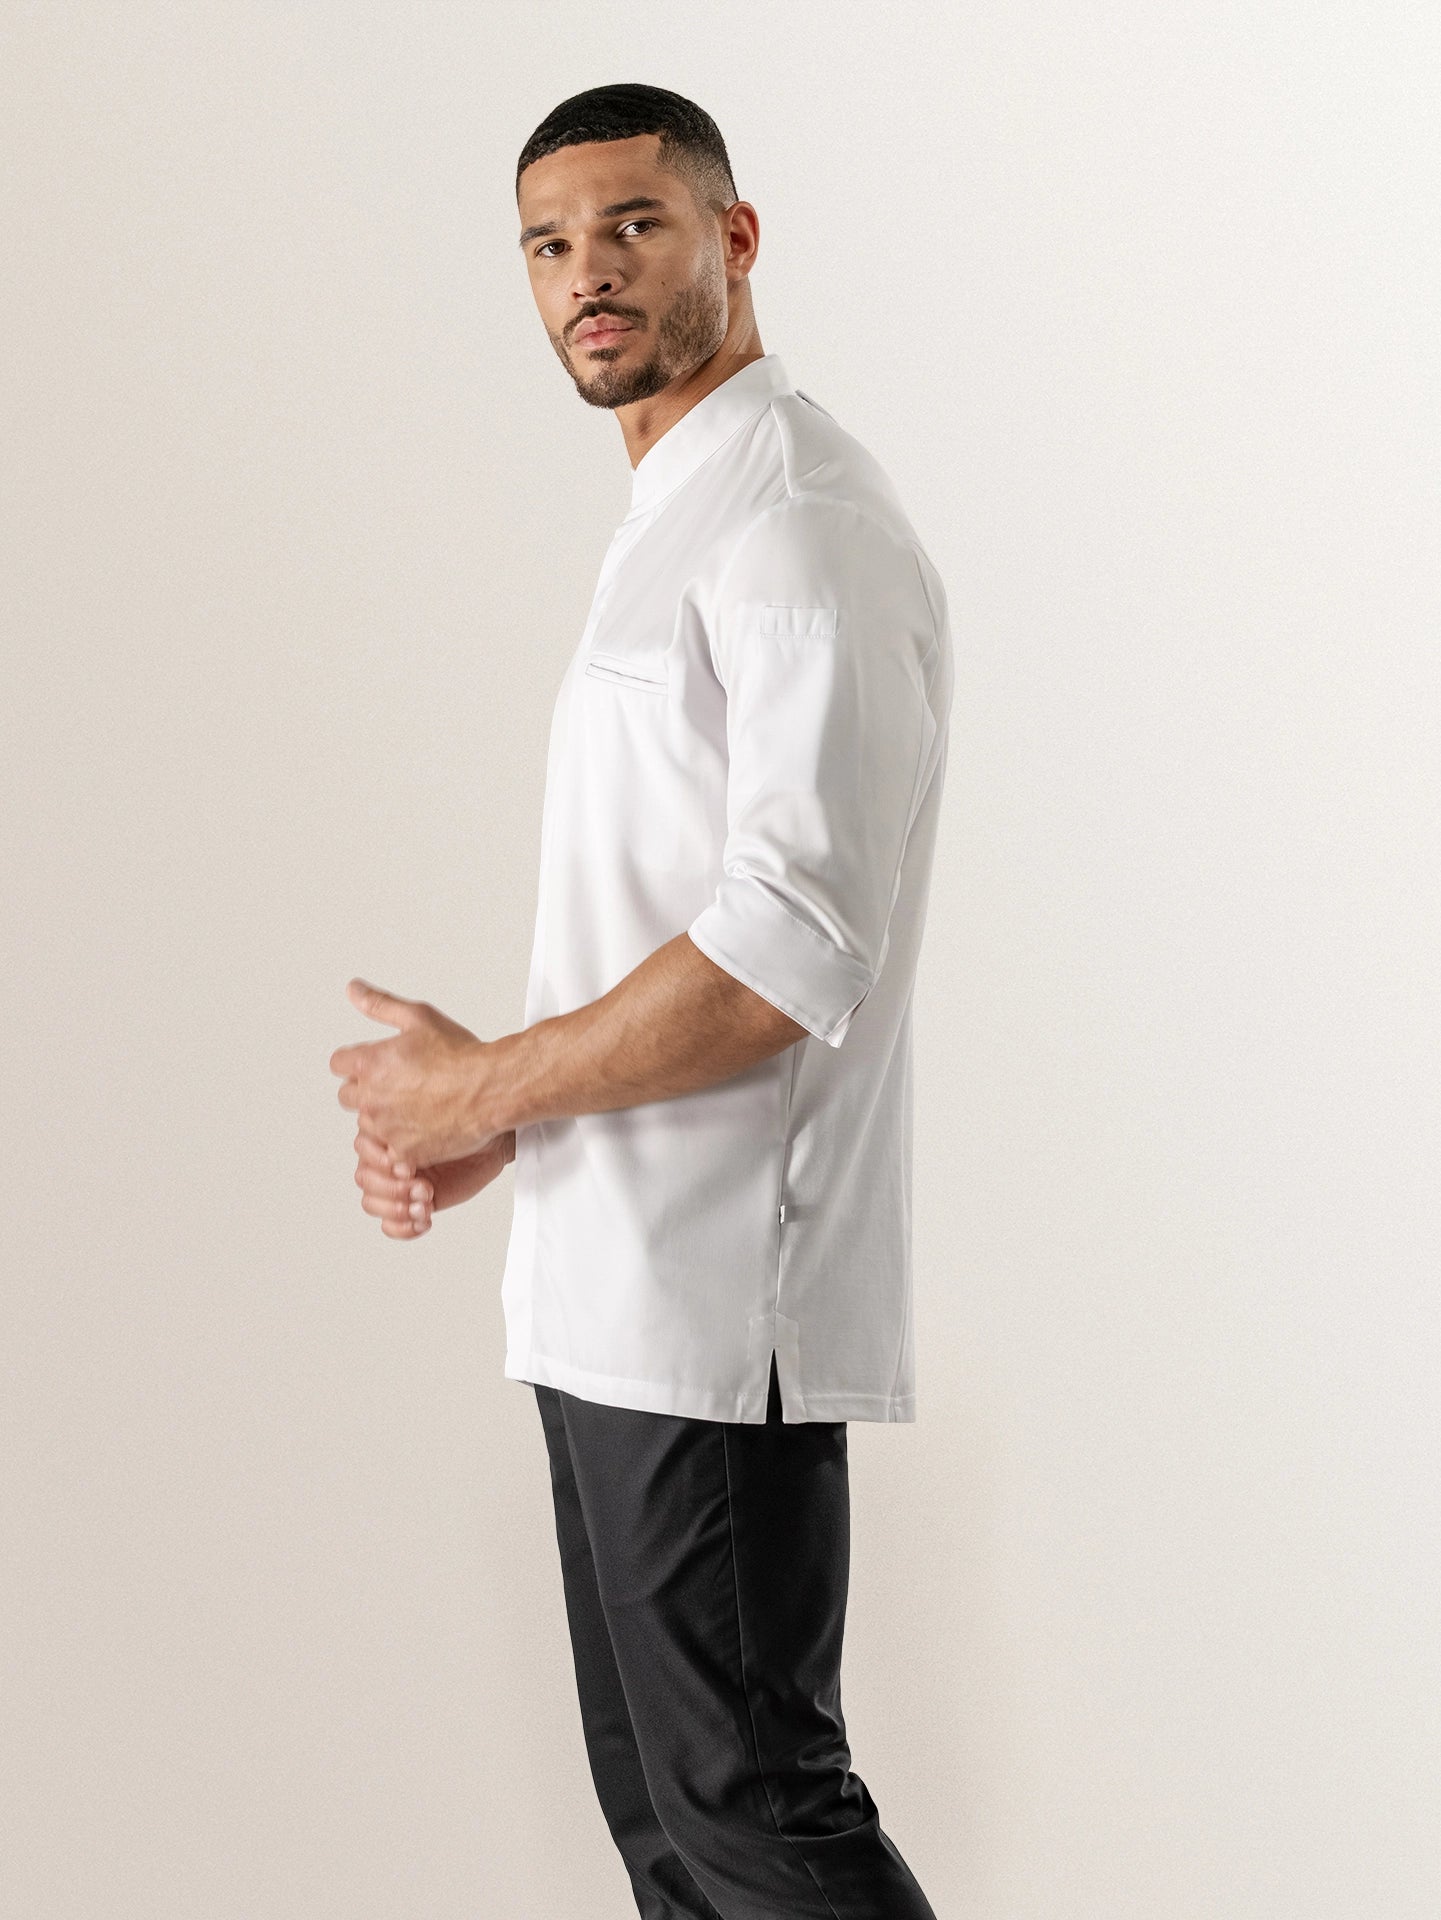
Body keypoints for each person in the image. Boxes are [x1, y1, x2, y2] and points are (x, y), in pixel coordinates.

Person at [331, 80, 951, 1920]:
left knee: (759, 1823)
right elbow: (671, 914)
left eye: (632, 225)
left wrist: (483, 1089)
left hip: (711, 1313)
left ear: (732, 240)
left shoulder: (800, 526)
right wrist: (505, 1124)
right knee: (676, 1851)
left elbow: (784, 951)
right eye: (548, 244)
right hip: (608, 1300)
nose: (586, 273)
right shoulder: (680, 513)